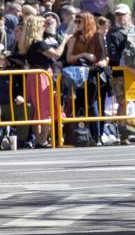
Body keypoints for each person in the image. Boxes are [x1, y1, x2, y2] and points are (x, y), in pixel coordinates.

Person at [12, 15, 63, 148]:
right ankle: (42, 139)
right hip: (42, 77)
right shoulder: (39, 44)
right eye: (42, 24)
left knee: (36, 107)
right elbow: (57, 54)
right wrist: (65, 39)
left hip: (33, 77)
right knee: (45, 107)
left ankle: (39, 138)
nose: (45, 25)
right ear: (37, 26)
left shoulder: (28, 43)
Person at [64, 11, 109, 143]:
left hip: (94, 75)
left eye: (79, 21)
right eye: (76, 21)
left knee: (93, 104)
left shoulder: (97, 37)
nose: (77, 24)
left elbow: (105, 58)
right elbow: (69, 58)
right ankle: (81, 135)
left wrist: (99, 63)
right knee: (78, 105)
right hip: (78, 75)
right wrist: (83, 54)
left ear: (87, 22)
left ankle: (98, 135)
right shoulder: (74, 38)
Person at [106, 4, 135, 145]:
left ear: (129, 15)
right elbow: (113, 55)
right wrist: (127, 63)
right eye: (118, 15)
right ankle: (123, 135)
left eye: (123, 14)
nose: (120, 17)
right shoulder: (112, 34)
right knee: (123, 103)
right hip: (120, 74)